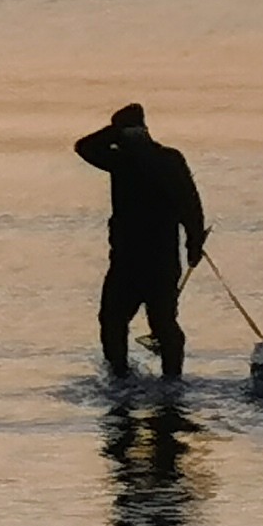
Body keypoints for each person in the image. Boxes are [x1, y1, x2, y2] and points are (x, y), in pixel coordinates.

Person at [76, 104, 208, 379]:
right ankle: (137, 376)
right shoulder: (143, 159)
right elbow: (191, 206)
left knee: (149, 323)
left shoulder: (128, 159)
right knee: (127, 321)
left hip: (143, 260)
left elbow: (84, 146)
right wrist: (193, 242)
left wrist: (194, 243)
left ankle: (149, 378)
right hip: (141, 259)